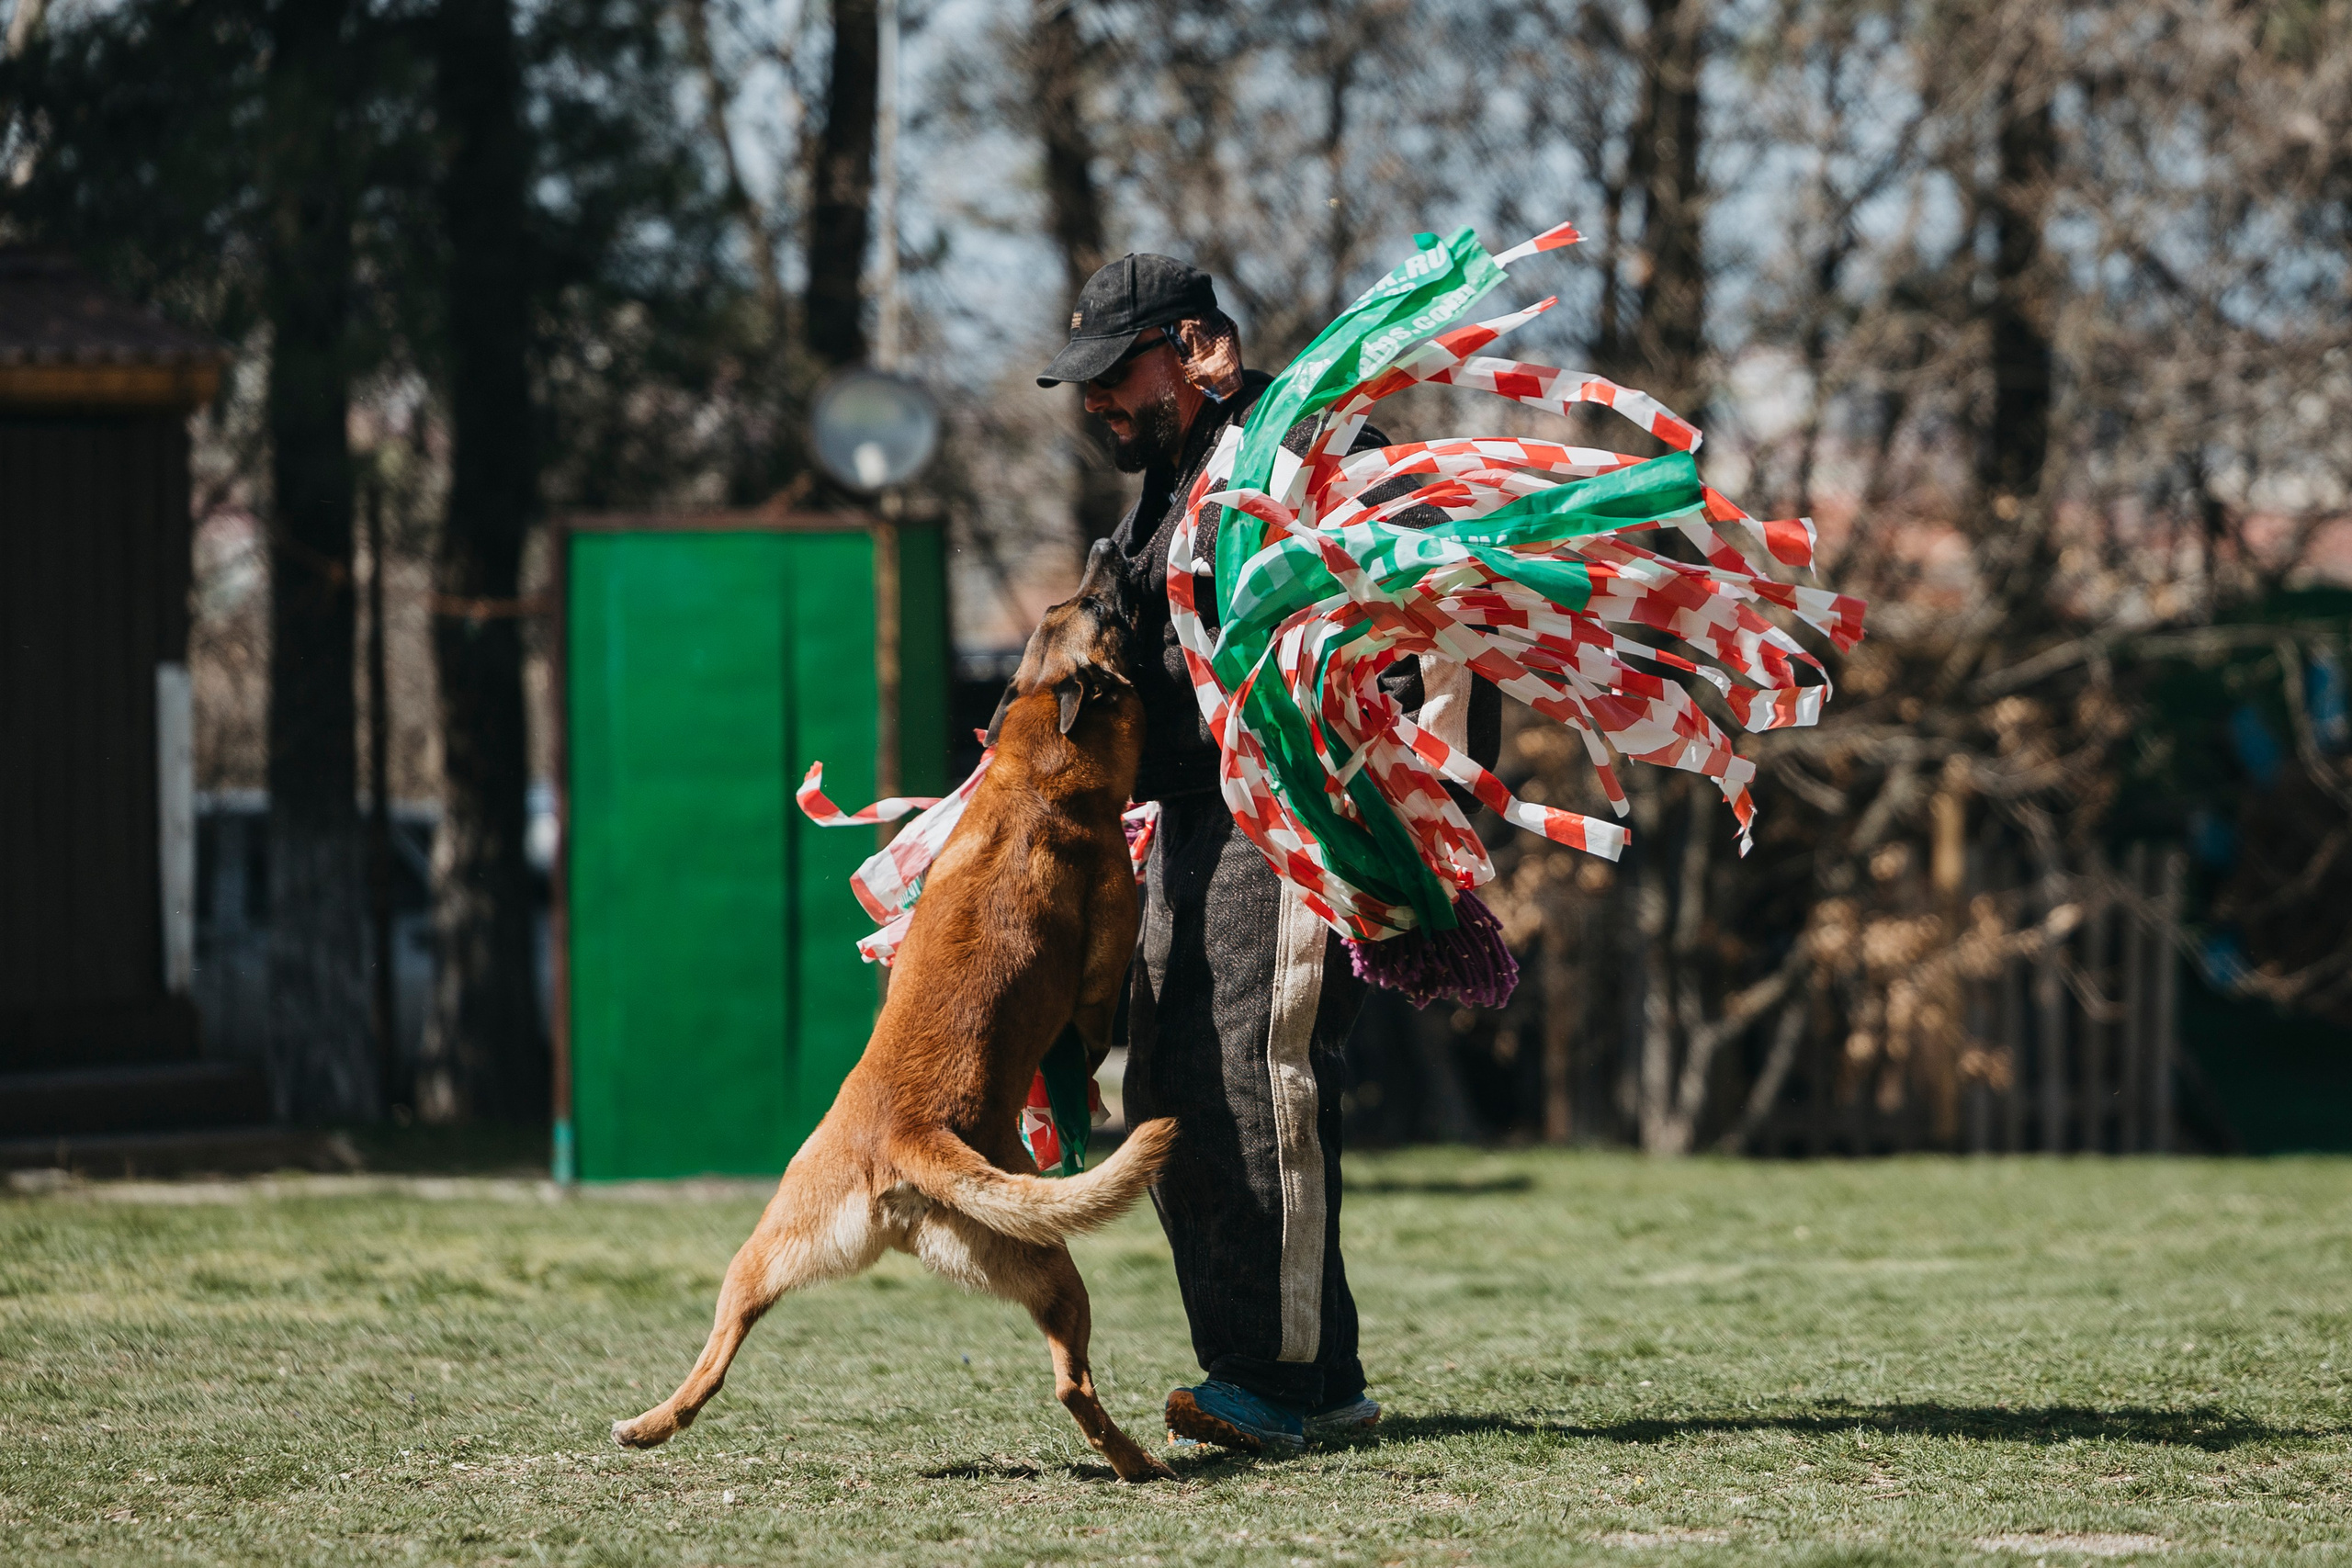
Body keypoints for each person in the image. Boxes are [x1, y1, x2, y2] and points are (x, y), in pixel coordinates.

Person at [1036, 254, 1498, 1456]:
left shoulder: (1304, 449)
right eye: (1083, 387)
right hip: (1188, 827)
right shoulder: (1156, 502)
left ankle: (1282, 1378)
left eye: (1115, 377)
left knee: (1255, 1075)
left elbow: (1437, 606)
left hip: (1292, 809)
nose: (1096, 407)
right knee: (1172, 1092)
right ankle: (1301, 1370)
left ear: (1201, 348)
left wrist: (1414, 787)